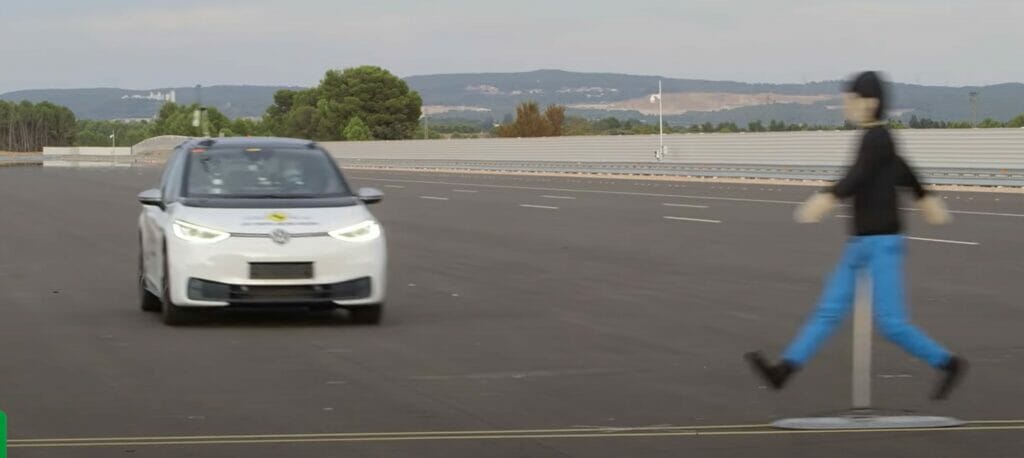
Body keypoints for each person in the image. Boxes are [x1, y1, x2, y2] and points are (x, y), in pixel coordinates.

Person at [745, 71, 966, 400]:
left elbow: (859, 175)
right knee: (829, 311)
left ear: (871, 103)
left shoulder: (877, 139)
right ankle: (784, 370)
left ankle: (948, 364)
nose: (846, 106)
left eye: (851, 100)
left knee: (891, 323)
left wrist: (827, 198)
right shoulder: (876, 140)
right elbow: (901, 170)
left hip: (883, 245)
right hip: (861, 243)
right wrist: (926, 198)